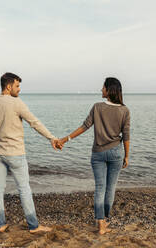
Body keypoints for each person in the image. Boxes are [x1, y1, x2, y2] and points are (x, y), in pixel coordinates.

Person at [0, 72, 60, 233]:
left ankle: (1, 224)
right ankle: (33, 225)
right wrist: (51, 138)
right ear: (8, 86)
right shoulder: (16, 103)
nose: (19, 89)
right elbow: (34, 122)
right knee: (24, 189)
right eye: (17, 86)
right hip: (16, 154)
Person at [58, 77, 130, 235]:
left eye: (103, 87)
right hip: (116, 152)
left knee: (100, 188)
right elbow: (126, 135)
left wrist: (65, 139)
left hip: (98, 153)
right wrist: (126, 156)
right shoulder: (124, 110)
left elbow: (85, 126)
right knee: (110, 189)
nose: (101, 90)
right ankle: (105, 220)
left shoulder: (97, 107)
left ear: (109, 90)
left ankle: (100, 223)